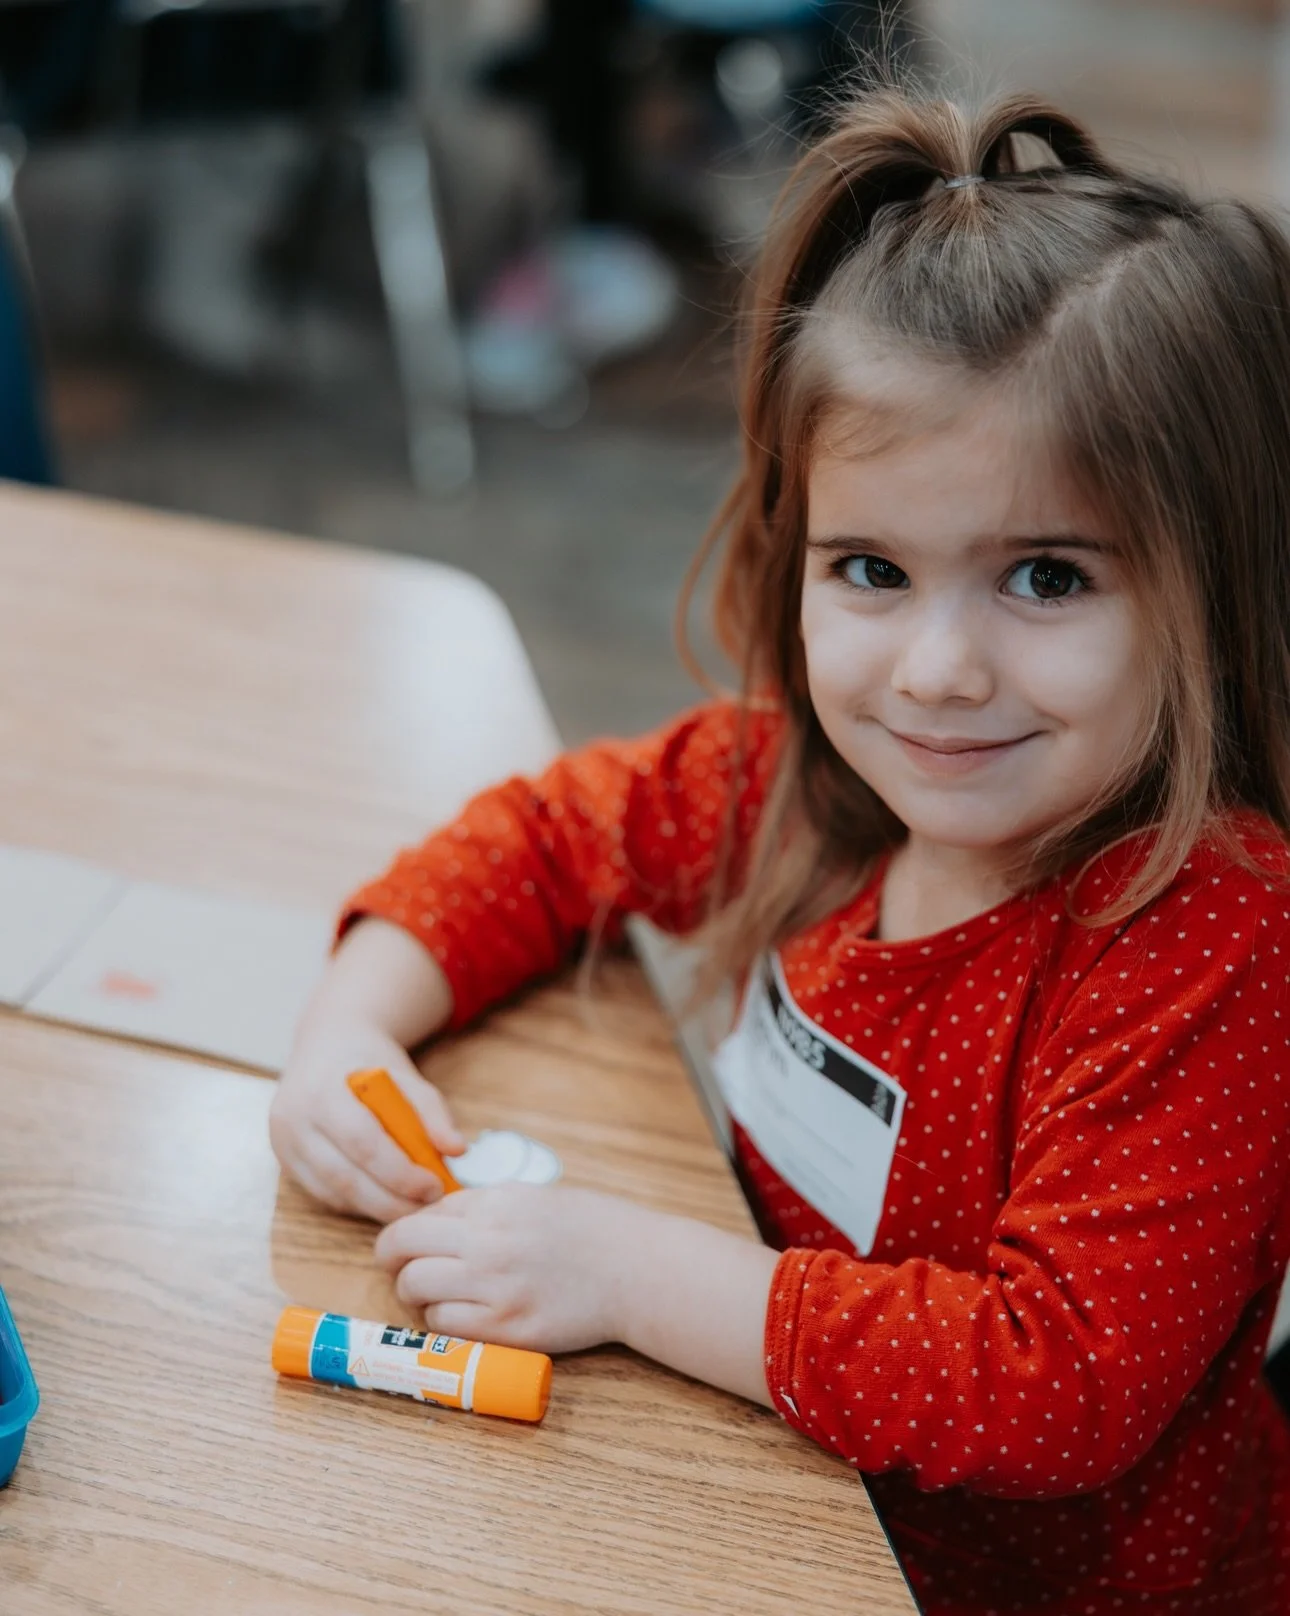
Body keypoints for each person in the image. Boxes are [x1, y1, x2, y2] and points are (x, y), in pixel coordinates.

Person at [269, 85, 1290, 1613]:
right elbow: (549, 837)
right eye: (870, 568)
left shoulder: (1211, 929)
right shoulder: (820, 780)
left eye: (1045, 577)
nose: (934, 671)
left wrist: (628, 1273)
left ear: (1213, 579)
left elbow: (1050, 1382)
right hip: (769, 1498)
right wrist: (348, 1027)